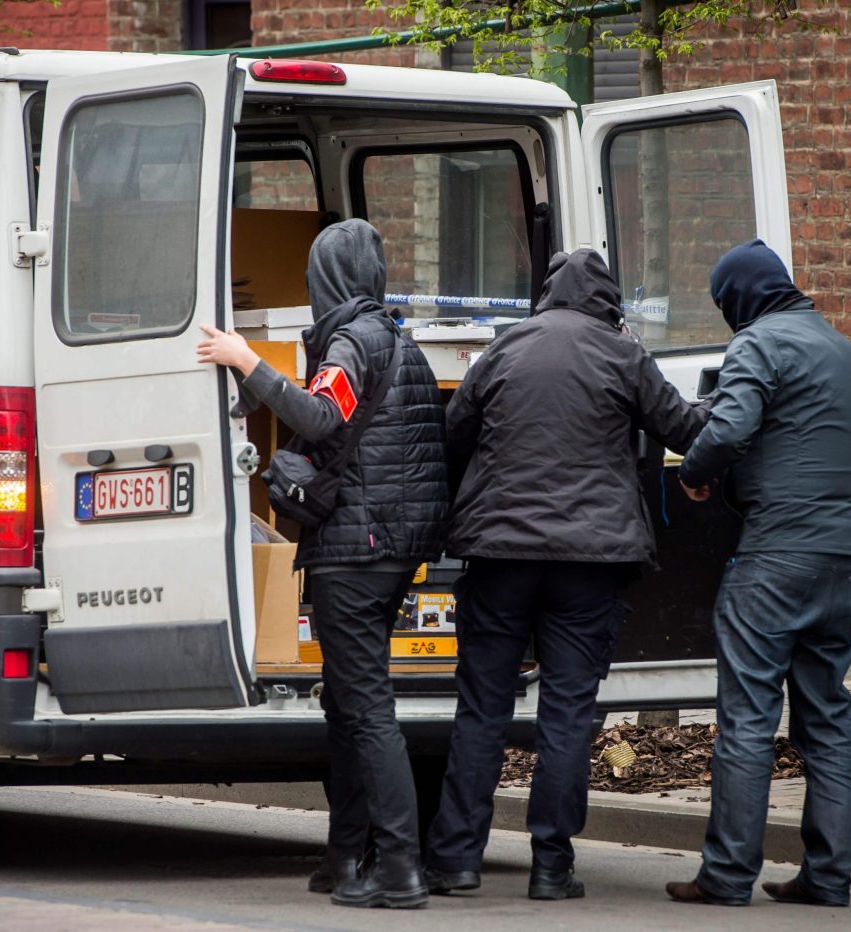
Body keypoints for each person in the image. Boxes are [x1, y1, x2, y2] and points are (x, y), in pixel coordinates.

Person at [423, 249, 706, 901]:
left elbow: (452, 436)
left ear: (548, 294)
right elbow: (683, 428)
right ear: (608, 302)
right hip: (588, 564)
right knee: (568, 713)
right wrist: (737, 407)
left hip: (499, 557)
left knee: (482, 707)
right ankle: (551, 866)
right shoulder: (623, 354)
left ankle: (457, 859)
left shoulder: (505, 347)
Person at [197, 218, 449, 909]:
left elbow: (318, 417)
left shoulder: (351, 341)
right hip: (392, 549)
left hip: (355, 553)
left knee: (365, 709)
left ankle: (398, 868)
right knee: (346, 702)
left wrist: (245, 361)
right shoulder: (397, 339)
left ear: (326, 280)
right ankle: (343, 857)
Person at [666, 240, 851, 908]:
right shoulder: (848, 353)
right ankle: (829, 877)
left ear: (740, 297)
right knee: (828, 716)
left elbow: (730, 427)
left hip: (776, 556)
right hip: (846, 559)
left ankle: (727, 875)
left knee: (749, 716)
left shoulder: (759, 343)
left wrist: (695, 472)